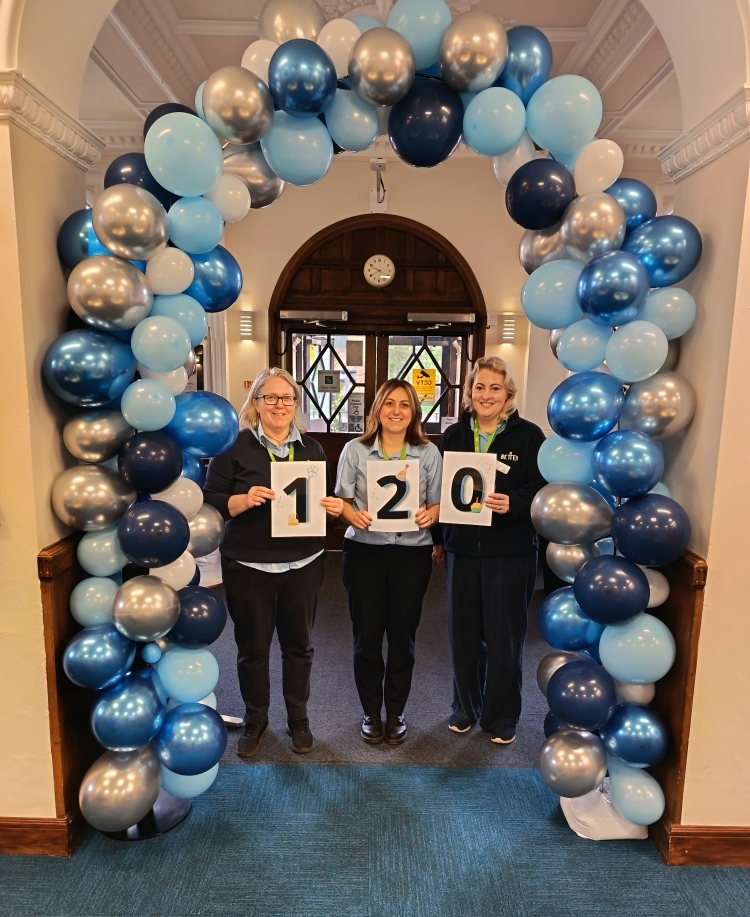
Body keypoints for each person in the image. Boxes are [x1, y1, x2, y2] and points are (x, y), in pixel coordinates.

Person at [203, 367, 343, 758]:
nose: (280, 405)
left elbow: (317, 504)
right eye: (271, 398)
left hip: (304, 563)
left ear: (296, 405)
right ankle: (255, 718)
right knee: (253, 648)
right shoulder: (234, 448)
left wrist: (331, 508)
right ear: (257, 404)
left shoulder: (313, 450)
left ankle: (298, 717)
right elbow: (210, 501)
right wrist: (243, 500)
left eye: (287, 399)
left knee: (300, 646)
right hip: (249, 566)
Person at [432, 356, 546, 745]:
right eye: (479, 387)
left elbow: (541, 491)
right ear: (469, 392)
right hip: (462, 550)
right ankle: (465, 707)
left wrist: (512, 503)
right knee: (462, 635)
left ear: (508, 394)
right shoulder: (452, 435)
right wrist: (438, 541)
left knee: (504, 638)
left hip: (510, 553)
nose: (486, 395)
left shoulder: (530, 437)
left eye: (495, 388)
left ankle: (501, 717)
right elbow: (441, 493)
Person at [336, 379, 442, 746]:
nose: (396, 411)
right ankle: (370, 710)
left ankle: (395, 711)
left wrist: (432, 514)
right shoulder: (354, 450)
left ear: (414, 412)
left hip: (412, 555)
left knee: (403, 636)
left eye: (405, 405)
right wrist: (354, 517)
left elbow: (440, 502)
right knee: (366, 638)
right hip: (365, 552)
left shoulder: (428, 452)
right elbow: (342, 502)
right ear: (377, 409)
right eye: (389, 404)